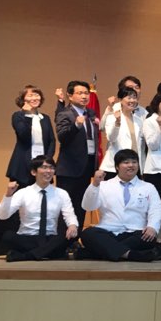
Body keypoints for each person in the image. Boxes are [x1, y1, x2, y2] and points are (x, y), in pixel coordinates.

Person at [80, 149, 161, 262]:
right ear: (117, 167)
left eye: (134, 162)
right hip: (108, 231)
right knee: (88, 234)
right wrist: (95, 184)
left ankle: (100, 252)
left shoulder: (148, 187)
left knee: (149, 239)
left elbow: (156, 209)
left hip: (135, 232)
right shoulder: (104, 185)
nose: (131, 165)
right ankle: (130, 254)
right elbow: (88, 206)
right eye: (126, 162)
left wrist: (152, 227)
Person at [0, 156, 78, 261]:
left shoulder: (61, 193)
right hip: (27, 237)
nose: (48, 171)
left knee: (72, 234)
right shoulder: (23, 193)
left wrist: (72, 225)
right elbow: (3, 216)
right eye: (44, 167)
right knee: (8, 236)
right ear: (34, 172)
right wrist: (8, 195)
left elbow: (69, 214)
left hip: (49, 237)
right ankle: (47, 253)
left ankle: (26, 256)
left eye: (51, 168)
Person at [55, 79, 101, 229]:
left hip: (87, 166)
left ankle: (76, 238)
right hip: (69, 169)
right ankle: (62, 239)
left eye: (86, 93)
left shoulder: (91, 114)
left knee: (81, 206)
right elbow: (62, 137)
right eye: (80, 93)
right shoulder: (65, 113)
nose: (84, 96)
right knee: (66, 208)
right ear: (70, 95)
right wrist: (76, 125)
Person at [6, 85, 56, 188]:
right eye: (30, 95)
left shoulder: (45, 118)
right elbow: (24, 136)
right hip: (22, 163)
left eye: (37, 95)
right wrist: (28, 116)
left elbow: (52, 140)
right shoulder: (18, 116)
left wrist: (48, 159)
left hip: (42, 163)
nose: (34, 98)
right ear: (23, 99)